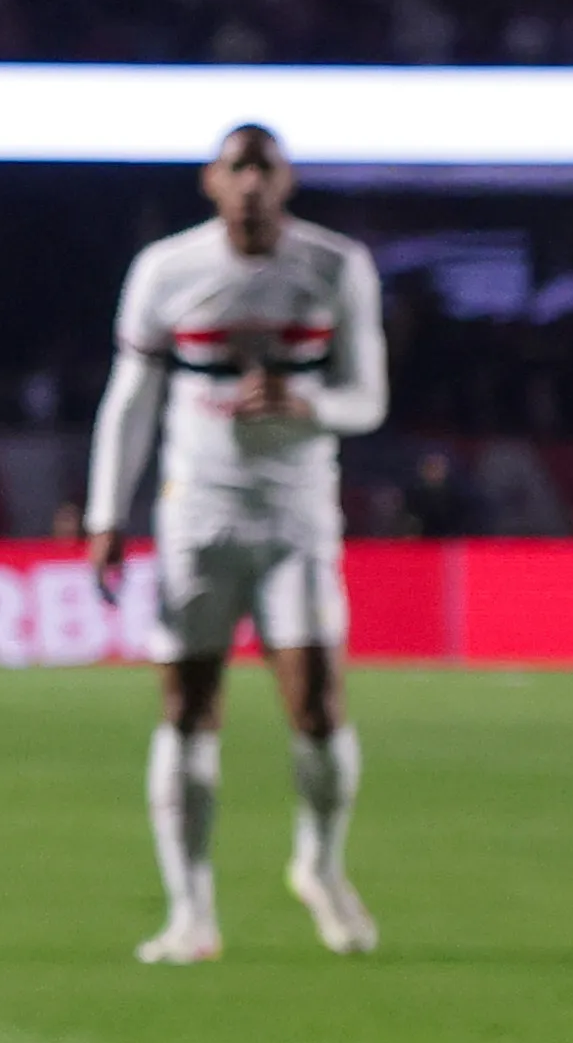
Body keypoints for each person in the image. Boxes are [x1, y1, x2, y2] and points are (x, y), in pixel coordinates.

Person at [85, 123, 386, 963]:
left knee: (318, 707)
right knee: (185, 706)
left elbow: (368, 399)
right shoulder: (166, 271)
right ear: (210, 183)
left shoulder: (334, 266)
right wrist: (106, 513)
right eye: (235, 168)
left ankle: (318, 867)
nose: (250, 182)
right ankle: (190, 914)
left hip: (296, 519)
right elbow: (130, 399)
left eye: (264, 167)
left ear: (284, 181)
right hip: (196, 518)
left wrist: (307, 405)